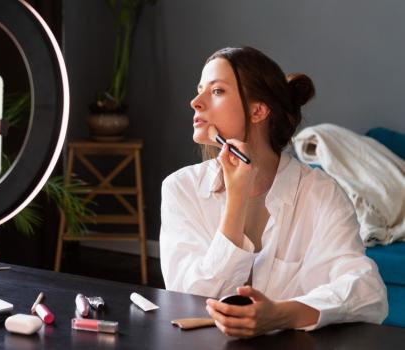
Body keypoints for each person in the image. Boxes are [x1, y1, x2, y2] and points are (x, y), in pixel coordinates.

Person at [159, 47, 387, 338]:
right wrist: (236, 200)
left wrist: (280, 314)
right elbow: (188, 298)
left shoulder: (320, 193)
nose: (195, 102)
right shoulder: (181, 189)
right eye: (199, 90)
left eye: (216, 91)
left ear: (258, 110)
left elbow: (368, 292)